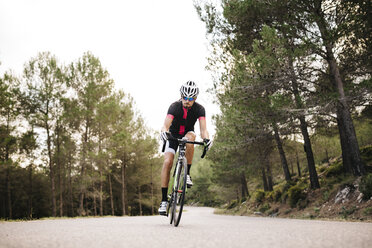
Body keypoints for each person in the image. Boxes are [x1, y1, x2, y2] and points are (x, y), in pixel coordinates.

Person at [158, 81, 211, 215]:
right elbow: (165, 125)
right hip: (173, 136)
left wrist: (206, 139)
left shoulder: (200, 109)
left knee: (191, 138)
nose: (186, 101)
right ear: (181, 96)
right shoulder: (174, 106)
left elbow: (203, 129)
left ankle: (187, 174)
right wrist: (164, 132)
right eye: (184, 97)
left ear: (195, 98)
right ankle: (164, 201)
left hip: (188, 133)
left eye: (190, 99)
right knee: (167, 162)